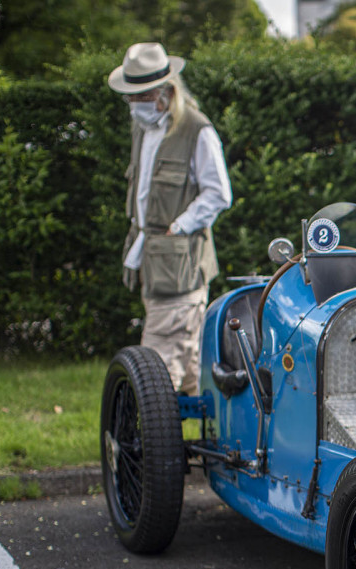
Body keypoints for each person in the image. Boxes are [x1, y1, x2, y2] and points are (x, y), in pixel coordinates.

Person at [107, 42, 232, 395]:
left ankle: (155, 446)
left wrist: (180, 227)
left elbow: (219, 194)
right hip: (151, 258)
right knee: (187, 360)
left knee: (157, 365)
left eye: (140, 97)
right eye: (130, 97)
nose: (134, 105)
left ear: (165, 92)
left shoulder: (197, 130)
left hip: (180, 263)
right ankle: (198, 444)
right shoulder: (143, 129)